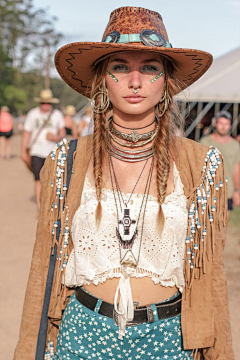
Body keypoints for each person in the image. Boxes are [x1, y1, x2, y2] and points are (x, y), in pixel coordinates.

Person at [14, 7, 234, 360]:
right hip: (81, 338)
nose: (135, 81)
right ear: (102, 78)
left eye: (149, 68)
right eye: (120, 66)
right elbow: (42, 269)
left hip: (169, 341)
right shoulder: (65, 161)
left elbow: (212, 279)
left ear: (166, 81)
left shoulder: (201, 164)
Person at [21, 89, 66, 209]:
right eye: (44, 103)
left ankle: (51, 204)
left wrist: (56, 137)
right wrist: (23, 151)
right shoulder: (32, 114)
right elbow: (26, 133)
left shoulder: (57, 115)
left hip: (53, 151)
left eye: (48, 103)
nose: (46, 105)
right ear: (40, 103)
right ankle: (41, 208)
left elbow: (63, 132)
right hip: (36, 151)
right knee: (38, 179)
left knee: (52, 179)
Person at [200, 110, 240, 217]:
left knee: (222, 227)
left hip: (228, 192)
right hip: (208, 191)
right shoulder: (205, 142)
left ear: (230, 126)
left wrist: (237, 191)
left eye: (226, 124)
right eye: (221, 123)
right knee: (206, 226)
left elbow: (236, 169)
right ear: (215, 124)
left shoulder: (235, 145)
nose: (223, 127)